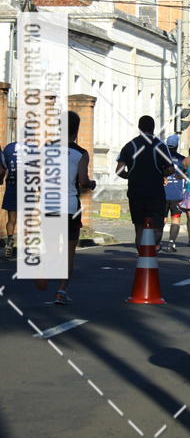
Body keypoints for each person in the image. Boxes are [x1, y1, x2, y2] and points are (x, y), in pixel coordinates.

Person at [52, 111, 96, 304]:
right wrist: (91, 184)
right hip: (70, 206)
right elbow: (83, 181)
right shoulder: (80, 153)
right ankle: (61, 291)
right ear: (76, 130)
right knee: (70, 251)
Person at [116, 116, 173, 250]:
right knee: (158, 227)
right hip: (155, 192)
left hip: (136, 191)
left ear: (139, 128)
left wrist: (131, 176)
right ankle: (151, 248)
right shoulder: (160, 146)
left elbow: (119, 170)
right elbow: (170, 169)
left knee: (139, 227)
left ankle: (142, 254)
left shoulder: (130, 146)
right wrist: (162, 174)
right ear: (153, 128)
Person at [161, 133, 186, 252]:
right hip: (177, 194)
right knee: (176, 218)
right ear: (177, 146)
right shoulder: (182, 159)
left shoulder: (161, 157)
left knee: (162, 218)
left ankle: (157, 242)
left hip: (162, 193)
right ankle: (171, 243)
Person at [2, 140, 18, 258]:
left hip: (12, 185)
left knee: (11, 218)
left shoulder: (9, 148)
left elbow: (3, 167)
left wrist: (1, 179)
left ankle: (9, 243)